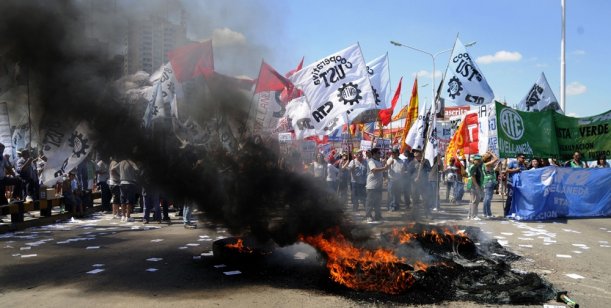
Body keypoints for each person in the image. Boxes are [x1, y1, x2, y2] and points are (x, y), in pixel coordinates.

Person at [365, 147, 390, 223]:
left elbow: (383, 171)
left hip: (378, 185)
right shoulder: (371, 161)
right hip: (372, 186)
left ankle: (378, 216)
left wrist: (385, 165)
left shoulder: (379, 161)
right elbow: (374, 170)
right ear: (374, 154)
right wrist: (384, 168)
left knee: (378, 202)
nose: (380, 154)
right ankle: (368, 216)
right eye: (379, 153)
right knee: (370, 202)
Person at [504, 153, 528, 217]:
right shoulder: (513, 163)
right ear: (518, 157)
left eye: (524, 158)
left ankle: (517, 212)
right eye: (522, 157)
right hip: (511, 183)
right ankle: (506, 212)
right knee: (510, 198)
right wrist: (515, 170)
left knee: (519, 199)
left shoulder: (523, 165)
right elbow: (506, 170)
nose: (523, 159)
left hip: (519, 185)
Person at [481, 151, 499, 218]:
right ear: (488, 159)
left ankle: (485, 213)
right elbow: (496, 158)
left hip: (488, 181)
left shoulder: (486, 165)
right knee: (488, 198)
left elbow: (493, 170)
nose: (492, 159)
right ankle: (488, 214)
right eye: (490, 158)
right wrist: (491, 153)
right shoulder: (486, 164)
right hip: (489, 182)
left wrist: (497, 165)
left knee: (486, 198)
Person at [466, 154, 484, 220]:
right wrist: (477, 186)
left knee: (473, 201)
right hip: (474, 185)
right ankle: (474, 216)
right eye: (478, 160)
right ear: (474, 160)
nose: (479, 161)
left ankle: (470, 215)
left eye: (479, 160)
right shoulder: (474, 167)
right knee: (475, 201)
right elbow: (473, 177)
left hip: (475, 185)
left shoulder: (477, 166)